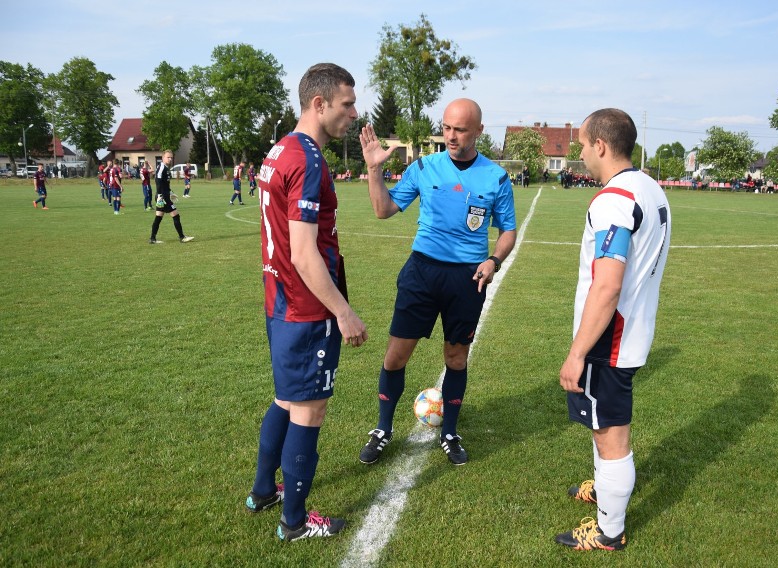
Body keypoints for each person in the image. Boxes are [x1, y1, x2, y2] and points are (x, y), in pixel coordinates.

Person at [357, 98, 517, 466]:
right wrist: (373, 170)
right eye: (446, 127)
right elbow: (383, 210)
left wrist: (494, 261)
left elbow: (507, 231)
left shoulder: (495, 177)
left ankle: (450, 432)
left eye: (460, 129)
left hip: (467, 278)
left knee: (455, 357)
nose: (451, 136)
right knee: (396, 355)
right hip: (422, 273)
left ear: (478, 130)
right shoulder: (424, 167)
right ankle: (383, 429)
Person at [248, 62, 366, 542]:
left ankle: (263, 491)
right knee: (309, 409)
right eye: (347, 104)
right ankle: (294, 522)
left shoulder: (279, 148)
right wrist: (342, 310)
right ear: (319, 104)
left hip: (278, 302)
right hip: (305, 307)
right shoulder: (308, 159)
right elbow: (303, 251)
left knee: (285, 398)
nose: (354, 114)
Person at [554, 109, 671, 552]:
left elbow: (607, 284)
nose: (581, 153)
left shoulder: (614, 201)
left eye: (583, 145)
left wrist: (577, 352)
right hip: (633, 329)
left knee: (610, 433)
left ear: (601, 145)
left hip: (611, 338)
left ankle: (609, 531)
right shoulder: (649, 186)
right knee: (603, 425)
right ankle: (605, 491)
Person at [150, 150, 194, 244]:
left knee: (158, 217)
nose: (170, 159)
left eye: (171, 157)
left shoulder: (166, 168)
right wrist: (160, 196)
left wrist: (171, 193)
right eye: (168, 157)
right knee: (175, 215)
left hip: (164, 195)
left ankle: (152, 239)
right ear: (163, 158)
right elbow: (158, 182)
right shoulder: (161, 167)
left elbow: (165, 184)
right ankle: (182, 237)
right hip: (163, 197)